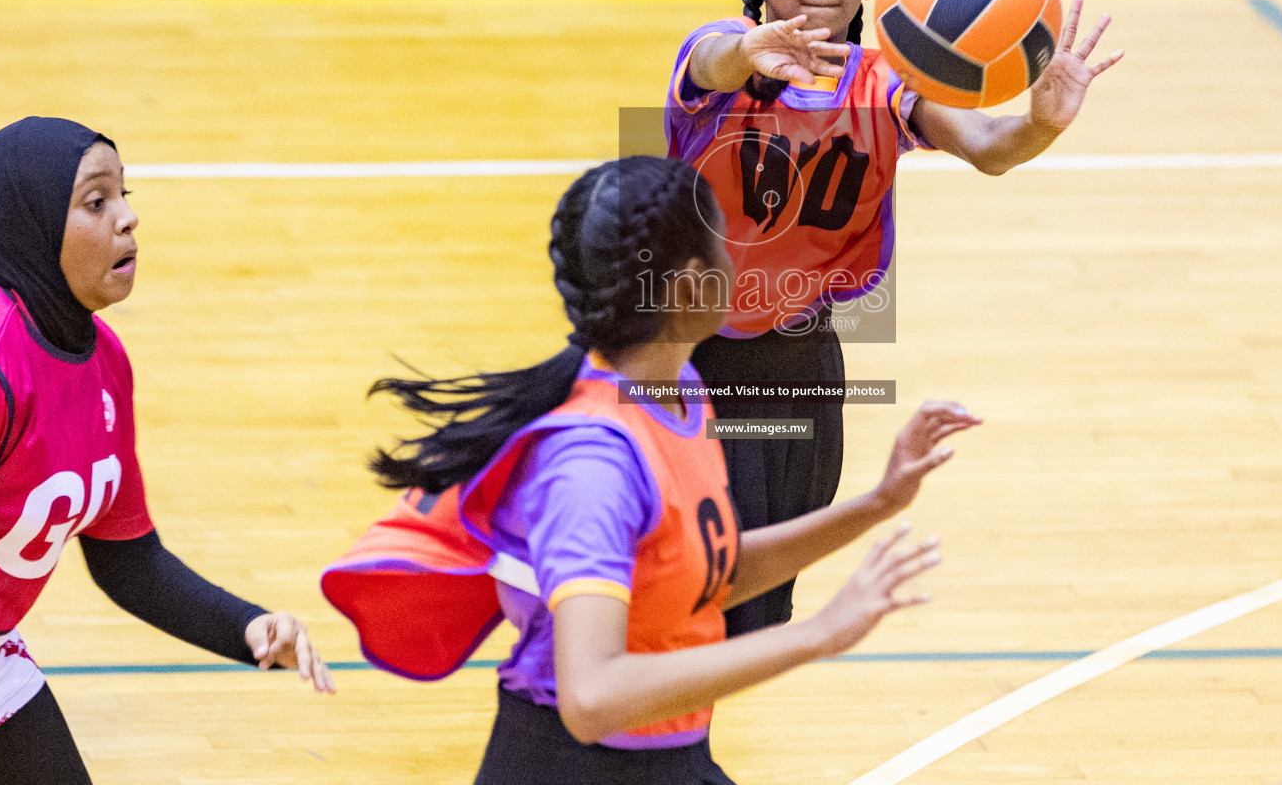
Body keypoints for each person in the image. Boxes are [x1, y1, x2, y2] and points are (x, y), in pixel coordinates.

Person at [323, 155, 978, 785]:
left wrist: (880, 502)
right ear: (691, 282)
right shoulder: (594, 464)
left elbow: (695, 574)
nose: (743, 258)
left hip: (664, 757)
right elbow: (594, 695)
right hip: (574, 768)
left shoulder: (679, 392)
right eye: (731, 242)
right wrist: (817, 635)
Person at [665, 0, 1122, 635]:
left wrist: (1042, 124)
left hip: (800, 367)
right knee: (690, 598)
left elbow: (987, 148)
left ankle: (686, 748)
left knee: (755, 611)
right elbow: (712, 58)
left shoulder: (888, 84)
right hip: (688, 366)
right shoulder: (720, 63)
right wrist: (747, 50)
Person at [0, 117, 333, 784]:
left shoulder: (103, 365)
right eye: (97, 202)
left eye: (124, 193)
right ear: (29, 222)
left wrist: (248, 627)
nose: (128, 218)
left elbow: (128, 561)